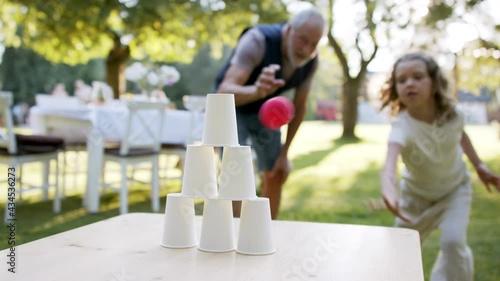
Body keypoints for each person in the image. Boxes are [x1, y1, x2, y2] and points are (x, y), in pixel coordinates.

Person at [379, 52, 500, 281]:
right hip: (415, 197)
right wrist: (389, 191)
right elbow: (389, 163)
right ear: (395, 88)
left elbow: (460, 135)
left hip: (454, 190)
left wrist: (480, 166)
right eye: (402, 80)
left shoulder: (453, 114)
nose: (409, 83)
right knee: (400, 245)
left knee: (453, 242)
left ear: (434, 82)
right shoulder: (401, 126)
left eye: (418, 77)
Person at [214, 8, 325, 219]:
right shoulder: (257, 41)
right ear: (289, 29)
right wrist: (257, 91)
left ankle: (267, 229)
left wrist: (284, 154)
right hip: (231, 107)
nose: (306, 49)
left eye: (314, 44)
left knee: (277, 171)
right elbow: (223, 92)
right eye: (303, 40)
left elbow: (299, 107)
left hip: (264, 114)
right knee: (234, 171)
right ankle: (232, 233)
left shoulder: (311, 60)